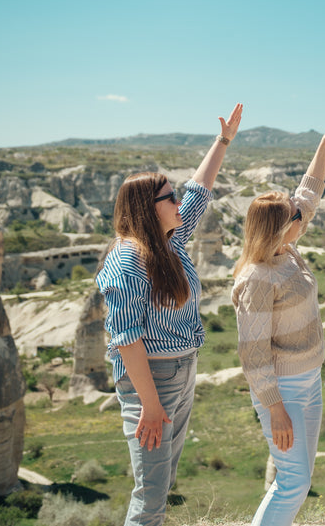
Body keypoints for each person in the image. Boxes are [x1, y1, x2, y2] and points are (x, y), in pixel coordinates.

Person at [96, 103, 243, 526]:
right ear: (148, 207)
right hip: (150, 377)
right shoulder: (128, 261)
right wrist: (150, 403)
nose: (179, 201)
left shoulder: (170, 241)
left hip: (182, 368)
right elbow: (126, 338)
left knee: (163, 481)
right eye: (169, 197)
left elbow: (200, 190)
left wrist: (223, 141)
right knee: (150, 494)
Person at [231, 120, 325, 526]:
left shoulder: (285, 252)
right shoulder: (258, 278)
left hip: (309, 379)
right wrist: (275, 409)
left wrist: (324, 143)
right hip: (283, 390)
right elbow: (253, 354)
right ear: (281, 228)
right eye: (295, 216)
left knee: (297, 478)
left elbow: (308, 195)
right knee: (294, 482)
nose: (303, 216)